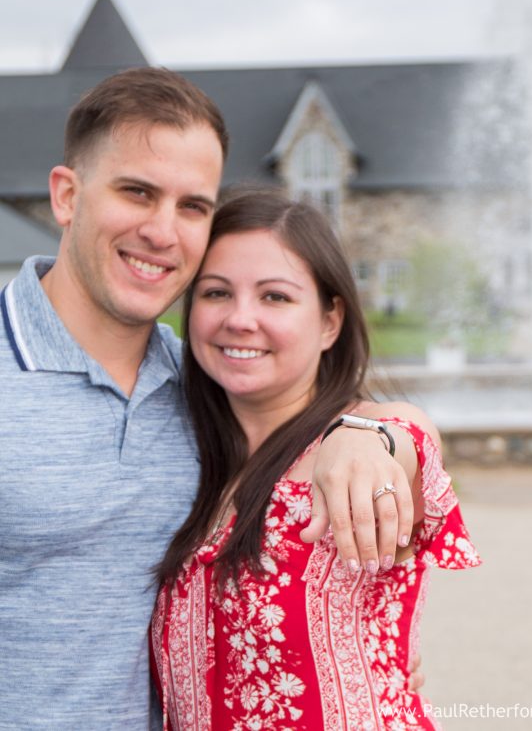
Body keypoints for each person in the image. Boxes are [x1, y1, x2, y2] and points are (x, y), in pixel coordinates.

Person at [0, 68, 421, 730]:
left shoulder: (204, 390)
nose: (163, 232)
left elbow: (344, 423)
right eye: (136, 192)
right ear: (66, 196)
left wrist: (374, 432)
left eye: (193, 206)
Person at [151, 190, 481, 730]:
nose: (240, 318)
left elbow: (409, 437)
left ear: (330, 321)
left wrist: (367, 434)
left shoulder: (354, 447)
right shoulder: (189, 454)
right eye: (216, 293)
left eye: (275, 297)